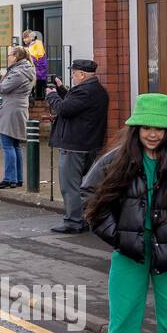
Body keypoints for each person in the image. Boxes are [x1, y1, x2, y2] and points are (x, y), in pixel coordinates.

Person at [83, 94, 167, 333]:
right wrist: (118, 237)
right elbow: (91, 195)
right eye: (146, 127)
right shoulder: (118, 159)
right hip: (130, 253)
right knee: (123, 321)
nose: (153, 134)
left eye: (160, 128)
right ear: (136, 129)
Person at [46, 59, 109, 234]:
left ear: (82, 74)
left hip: (74, 145)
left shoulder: (84, 92)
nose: (72, 76)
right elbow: (74, 105)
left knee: (70, 186)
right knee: (84, 184)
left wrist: (52, 95)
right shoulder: (97, 90)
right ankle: (85, 217)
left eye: (74, 73)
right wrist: (60, 89)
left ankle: (73, 222)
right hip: (90, 144)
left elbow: (65, 109)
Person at [0, 46, 35, 189]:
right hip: (18, 109)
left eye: (10, 55)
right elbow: (9, 84)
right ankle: (17, 178)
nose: (7, 57)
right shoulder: (25, 69)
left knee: (7, 145)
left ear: (16, 57)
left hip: (10, 110)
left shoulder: (19, 72)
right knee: (15, 145)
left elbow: (1, 88)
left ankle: (9, 178)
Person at [22, 29, 49, 101]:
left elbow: (35, 57)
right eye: (23, 38)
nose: (24, 40)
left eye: (25, 37)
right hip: (36, 67)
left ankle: (41, 97)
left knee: (40, 82)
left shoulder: (37, 43)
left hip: (39, 67)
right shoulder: (30, 46)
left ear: (31, 37)